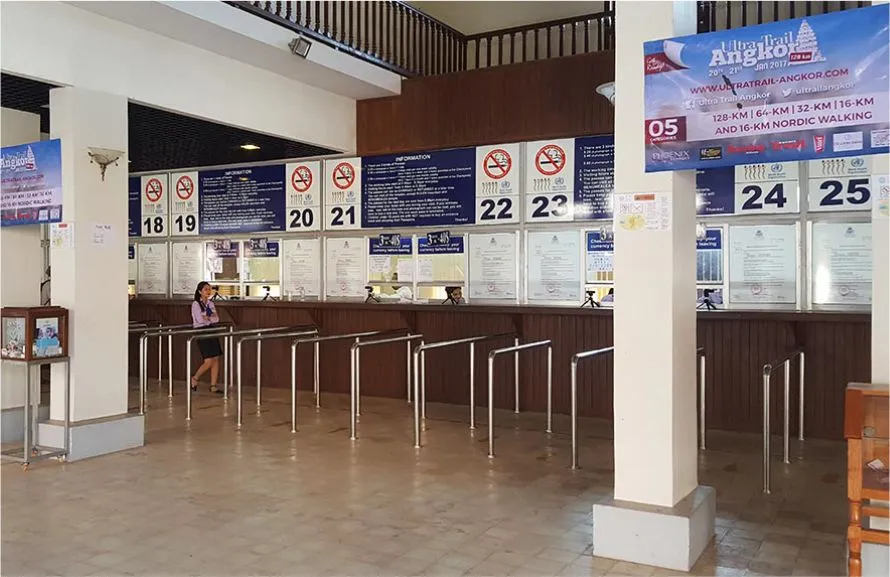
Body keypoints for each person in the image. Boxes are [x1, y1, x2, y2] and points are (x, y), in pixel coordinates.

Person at [191, 281, 223, 395]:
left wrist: (207, 316)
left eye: (209, 289)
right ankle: (195, 378)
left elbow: (216, 319)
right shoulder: (195, 304)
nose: (208, 291)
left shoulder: (210, 303)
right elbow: (200, 320)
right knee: (208, 360)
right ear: (200, 291)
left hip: (210, 329)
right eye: (206, 289)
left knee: (216, 358)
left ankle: (213, 385)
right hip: (201, 331)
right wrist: (208, 316)